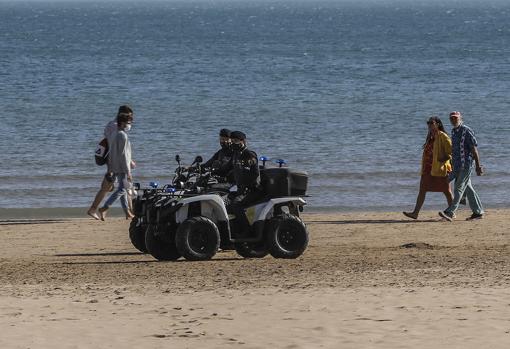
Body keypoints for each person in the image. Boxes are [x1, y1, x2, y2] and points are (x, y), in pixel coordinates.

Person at [87, 105, 133, 220]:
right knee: (108, 187)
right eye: (129, 118)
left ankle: (128, 212)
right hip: (115, 161)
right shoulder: (116, 128)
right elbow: (115, 147)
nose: (130, 123)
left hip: (113, 160)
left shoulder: (112, 125)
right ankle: (96, 208)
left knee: (122, 187)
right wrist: (125, 164)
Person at [403, 116, 453, 219]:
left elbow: (451, 151)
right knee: (422, 189)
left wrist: (443, 158)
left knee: (446, 191)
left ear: (438, 124)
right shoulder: (431, 136)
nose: (429, 125)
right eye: (428, 123)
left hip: (439, 168)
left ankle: (451, 212)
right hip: (428, 168)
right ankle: (415, 213)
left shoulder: (443, 136)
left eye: (431, 123)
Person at [439, 111, 484, 221]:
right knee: (468, 188)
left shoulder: (466, 131)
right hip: (457, 166)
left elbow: (474, 149)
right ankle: (478, 212)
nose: (454, 120)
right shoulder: (454, 131)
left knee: (458, 187)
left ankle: (450, 212)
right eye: (452, 118)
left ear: (460, 118)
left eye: (456, 118)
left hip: (466, 165)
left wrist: (478, 166)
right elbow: (454, 151)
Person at [98, 112, 135, 220]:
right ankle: (105, 207)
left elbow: (113, 151)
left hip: (115, 165)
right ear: (123, 123)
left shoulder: (114, 133)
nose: (129, 125)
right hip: (122, 166)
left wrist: (111, 167)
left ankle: (127, 212)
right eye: (128, 122)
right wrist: (128, 172)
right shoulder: (122, 135)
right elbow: (123, 155)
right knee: (123, 189)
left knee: (121, 188)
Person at [224, 131, 262, 235]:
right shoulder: (236, 155)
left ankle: (248, 230)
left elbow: (254, 174)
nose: (232, 143)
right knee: (225, 202)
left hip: (252, 190)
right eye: (231, 141)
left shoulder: (249, 155)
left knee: (236, 204)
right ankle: (233, 229)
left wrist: (246, 186)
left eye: (235, 141)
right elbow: (225, 168)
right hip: (240, 189)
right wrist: (208, 170)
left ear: (243, 141)